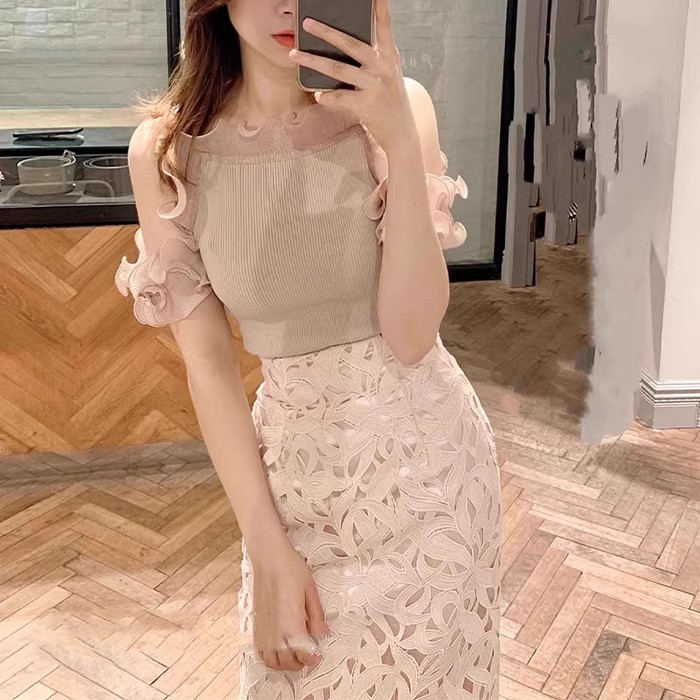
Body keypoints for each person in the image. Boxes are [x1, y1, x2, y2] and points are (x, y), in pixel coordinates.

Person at [114, 0, 502, 697]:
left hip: (433, 481)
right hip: (293, 485)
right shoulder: (169, 154)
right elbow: (209, 367)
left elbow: (413, 333)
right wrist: (265, 546)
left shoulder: (398, 111)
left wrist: (398, 139)